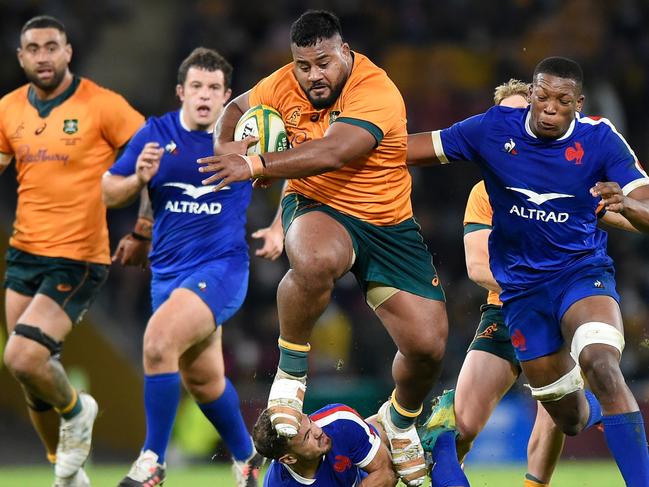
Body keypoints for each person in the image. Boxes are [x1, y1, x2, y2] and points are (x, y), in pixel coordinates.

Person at [198, 10, 448, 486]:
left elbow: (336, 151)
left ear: (345, 53)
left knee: (427, 348)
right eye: (303, 65)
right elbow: (233, 110)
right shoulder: (281, 84)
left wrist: (255, 163)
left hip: (388, 223)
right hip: (318, 205)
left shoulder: (377, 90)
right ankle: (290, 379)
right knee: (315, 259)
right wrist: (227, 147)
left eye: (324, 63)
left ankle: (398, 422)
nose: (314, 75)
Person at [408, 57, 649, 486]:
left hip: (580, 276)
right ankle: (584, 413)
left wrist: (627, 204)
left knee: (600, 361)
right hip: (517, 299)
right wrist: (335, 147)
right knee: (569, 417)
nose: (549, 108)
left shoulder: (600, 139)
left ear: (579, 103)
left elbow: (643, 208)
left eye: (562, 100)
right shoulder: (490, 145)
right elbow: (405, 149)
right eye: (541, 98)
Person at [102, 47, 267, 487]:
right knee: (204, 380)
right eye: (197, 86)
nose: (205, 96)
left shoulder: (244, 138)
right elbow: (107, 190)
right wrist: (137, 181)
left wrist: (279, 227)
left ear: (227, 95)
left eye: (215, 88)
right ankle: (248, 459)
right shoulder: (154, 134)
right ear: (181, 91)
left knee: (157, 342)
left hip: (222, 268)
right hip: (168, 273)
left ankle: (153, 460)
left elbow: (301, 170)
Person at [0, 15, 144, 487]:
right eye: (33, 49)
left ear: (68, 53)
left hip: (78, 255)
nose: (42, 56)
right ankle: (65, 470)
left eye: (51, 47)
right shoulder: (7, 109)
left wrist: (144, 225)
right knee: (32, 373)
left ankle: (77, 409)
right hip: (24, 252)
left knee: (21, 357)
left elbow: (154, 154)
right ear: (20, 57)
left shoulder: (103, 105)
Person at [253, 404, 397, 486]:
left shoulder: (340, 421)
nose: (318, 431)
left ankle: (399, 423)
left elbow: (387, 474)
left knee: (385, 430)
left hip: (364, 472)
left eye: (310, 420)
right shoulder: (277, 484)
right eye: (307, 437)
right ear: (289, 459)